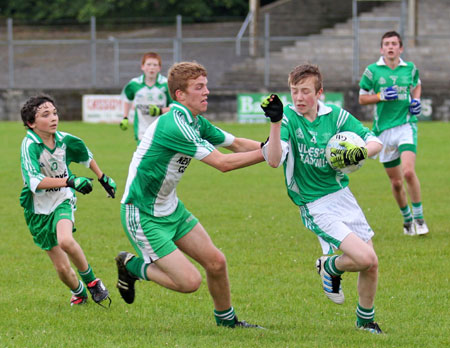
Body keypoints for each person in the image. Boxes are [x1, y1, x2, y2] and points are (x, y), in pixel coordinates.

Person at [116, 61, 265, 328]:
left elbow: (238, 144)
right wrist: (269, 154)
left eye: (206, 85)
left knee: (216, 262)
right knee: (189, 283)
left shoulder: (193, 120)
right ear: (180, 95)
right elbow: (222, 163)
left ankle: (227, 322)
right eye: (199, 87)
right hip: (143, 213)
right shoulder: (174, 124)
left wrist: (279, 146)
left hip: (170, 207)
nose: (207, 91)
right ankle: (131, 266)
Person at [261, 64, 384, 334]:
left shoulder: (336, 117)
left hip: (342, 195)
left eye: (305, 91)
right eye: (294, 91)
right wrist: (274, 122)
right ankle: (330, 265)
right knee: (364, 258)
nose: (298, 98)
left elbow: (374, 141)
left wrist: (359, 152)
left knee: (371, 262)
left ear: (319, 93)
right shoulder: (288, 120)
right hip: (314, 203)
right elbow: (272, 161)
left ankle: (365, 321)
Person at [20, 94, 117, 307]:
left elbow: (85, 155)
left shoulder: (65, 139)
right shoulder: (29, 146)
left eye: (54, 113)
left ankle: (92, 282)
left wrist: (102, 178)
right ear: (31, 123)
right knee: (62, 270)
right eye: (46, 115)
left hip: (62, 199)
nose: (53, 118)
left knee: (65, 240)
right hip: (37, 207)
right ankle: (80, 292)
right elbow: (34, 180)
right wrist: (70, 181)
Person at [359, 31, 428, 236]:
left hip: (406, 125)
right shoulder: (372, 71)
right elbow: (362, 99)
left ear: (401, 48)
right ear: (381, 49)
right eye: (387, 44)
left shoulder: (410, 69)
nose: (390, 47)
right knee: (397, 183)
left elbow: (416, 86)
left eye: (394, 44)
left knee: (408, 172)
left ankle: (419, 218)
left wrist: (415, 101)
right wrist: (380, 96)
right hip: (383, 131)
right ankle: (407, 220)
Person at [119, 52, 173, 143]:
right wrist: (125, 117)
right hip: (141, 132)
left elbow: (174, 107)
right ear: (142, 66)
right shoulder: (134, 84)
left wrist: (159, 111)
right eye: (148, 64)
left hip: (162, 131)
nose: (151, 67)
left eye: (155, 65)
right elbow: (127, 99)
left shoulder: (166, 84)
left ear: (159, 68)